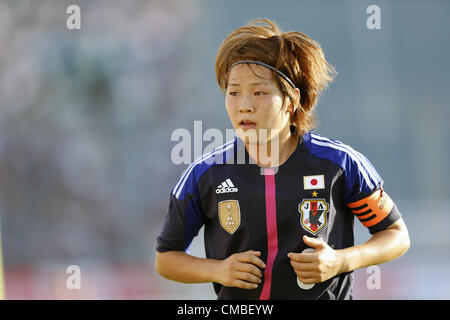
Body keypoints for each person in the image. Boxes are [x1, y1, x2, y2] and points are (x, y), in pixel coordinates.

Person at [155, 19, 410, 300]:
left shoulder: (340, 164)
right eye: (234, 92)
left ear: (291, 101)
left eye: (259, 92)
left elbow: (396, 235)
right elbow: (167, 257)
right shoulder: (205, 173)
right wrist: (218, 270)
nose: (244, 105)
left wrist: (340, 261)